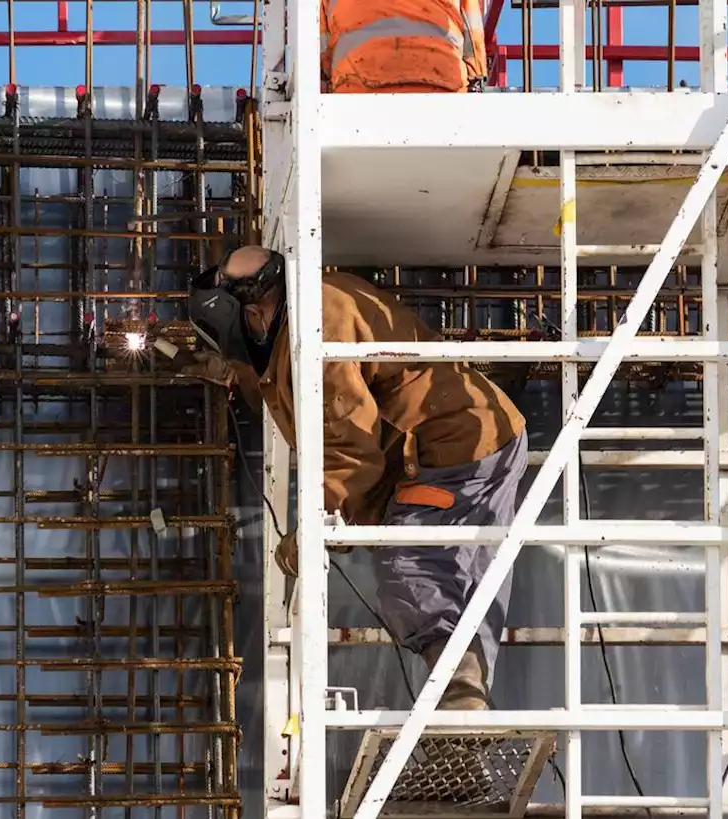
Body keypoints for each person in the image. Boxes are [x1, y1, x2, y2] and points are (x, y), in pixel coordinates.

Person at [184, 245, 527, 711]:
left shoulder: (321, 324)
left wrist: (315, 524)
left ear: (252, 312)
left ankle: (462, 694)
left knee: (410, 564)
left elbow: (348, 449)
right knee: (440, 574)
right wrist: (232, 371)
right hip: (438, 444)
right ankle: (462, 693)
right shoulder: (297, 315)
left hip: (454, 444)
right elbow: (276, 374)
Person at [321, 0, 488, 94]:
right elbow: (473, 33)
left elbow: (317, 49)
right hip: (443, 85)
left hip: (357, 90)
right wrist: (476, 79)